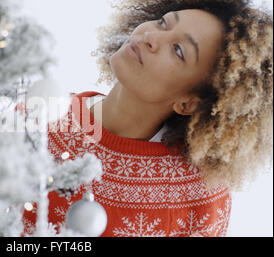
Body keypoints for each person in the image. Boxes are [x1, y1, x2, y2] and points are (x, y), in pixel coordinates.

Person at [21, 0, 273, 237]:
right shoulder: (34, 118)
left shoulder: (201, 195)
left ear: (188, 102)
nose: (151, 37)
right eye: (163, 23)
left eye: (178, 50)